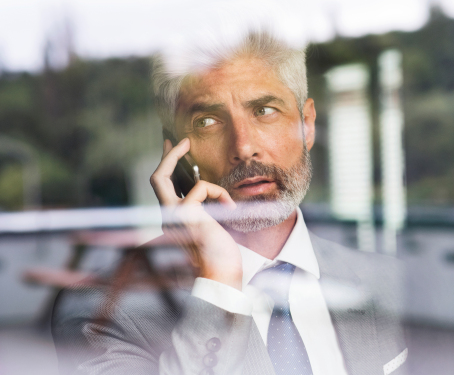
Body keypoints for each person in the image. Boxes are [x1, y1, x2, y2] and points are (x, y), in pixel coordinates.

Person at [52, 27, 407, 375]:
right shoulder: (101, 314)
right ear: (173, 151)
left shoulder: (386, 282)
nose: (243, 146)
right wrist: (219, 280)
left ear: (308, 124)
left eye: (265, 111)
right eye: (208, 121)